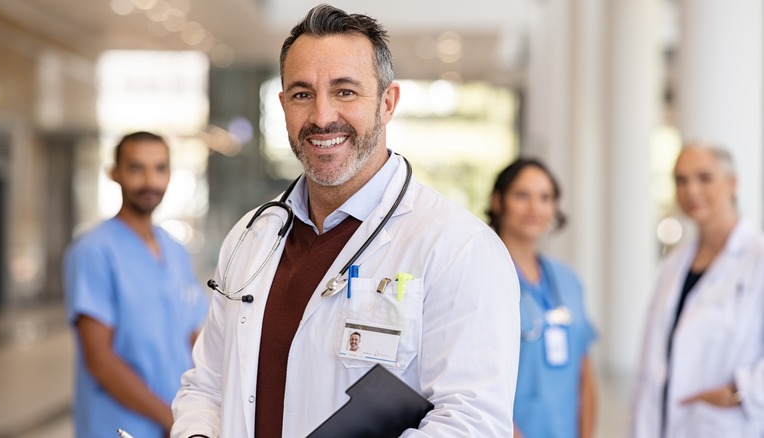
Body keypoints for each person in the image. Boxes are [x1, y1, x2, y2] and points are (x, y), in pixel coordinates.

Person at [171, 4, 520, 437]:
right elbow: (206, 386)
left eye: (345, 91)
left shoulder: (458, 247)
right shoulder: (251, 237)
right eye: (302, 94)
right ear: (282, 105)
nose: (321, 116)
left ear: (387, 102)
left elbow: (471, 422)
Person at [63, 131, 209, 438]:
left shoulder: (176, 251)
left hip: (179, 420)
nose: (149, 182)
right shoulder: (94, 251)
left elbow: (196, 340)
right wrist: (169, 419)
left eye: (159, 168)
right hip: (118, 426)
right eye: (136, 168)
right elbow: (100, 361)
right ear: (114, 173)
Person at [632, 144, 764, 437]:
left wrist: (743, 392)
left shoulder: (757, 257)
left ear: (732, 183)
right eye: (681, 180)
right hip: (664, 422)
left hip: (727, 425)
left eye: (704, 178)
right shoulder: (673, 264)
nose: (691, 190)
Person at [487, 158, 597, 438]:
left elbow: (584, 375)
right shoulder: (482, 276)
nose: (535, 208)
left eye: (545, 198)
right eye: (522, 195)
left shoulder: (568, 279)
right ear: (498, 201)